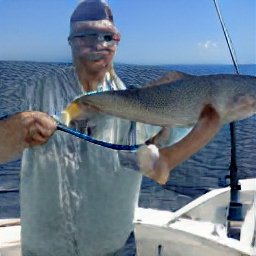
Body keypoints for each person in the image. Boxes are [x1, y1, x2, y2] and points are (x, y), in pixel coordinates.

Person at [0, 0, 222, 255]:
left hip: (114, 248)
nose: (99, 44)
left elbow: (153, 162)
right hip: (45, 249)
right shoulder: (32, 90)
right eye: (86, 36)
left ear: (117, 43)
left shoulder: (135, 102)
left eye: (108, 37)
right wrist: (19, 127)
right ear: (70, 40)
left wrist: (180, 110)